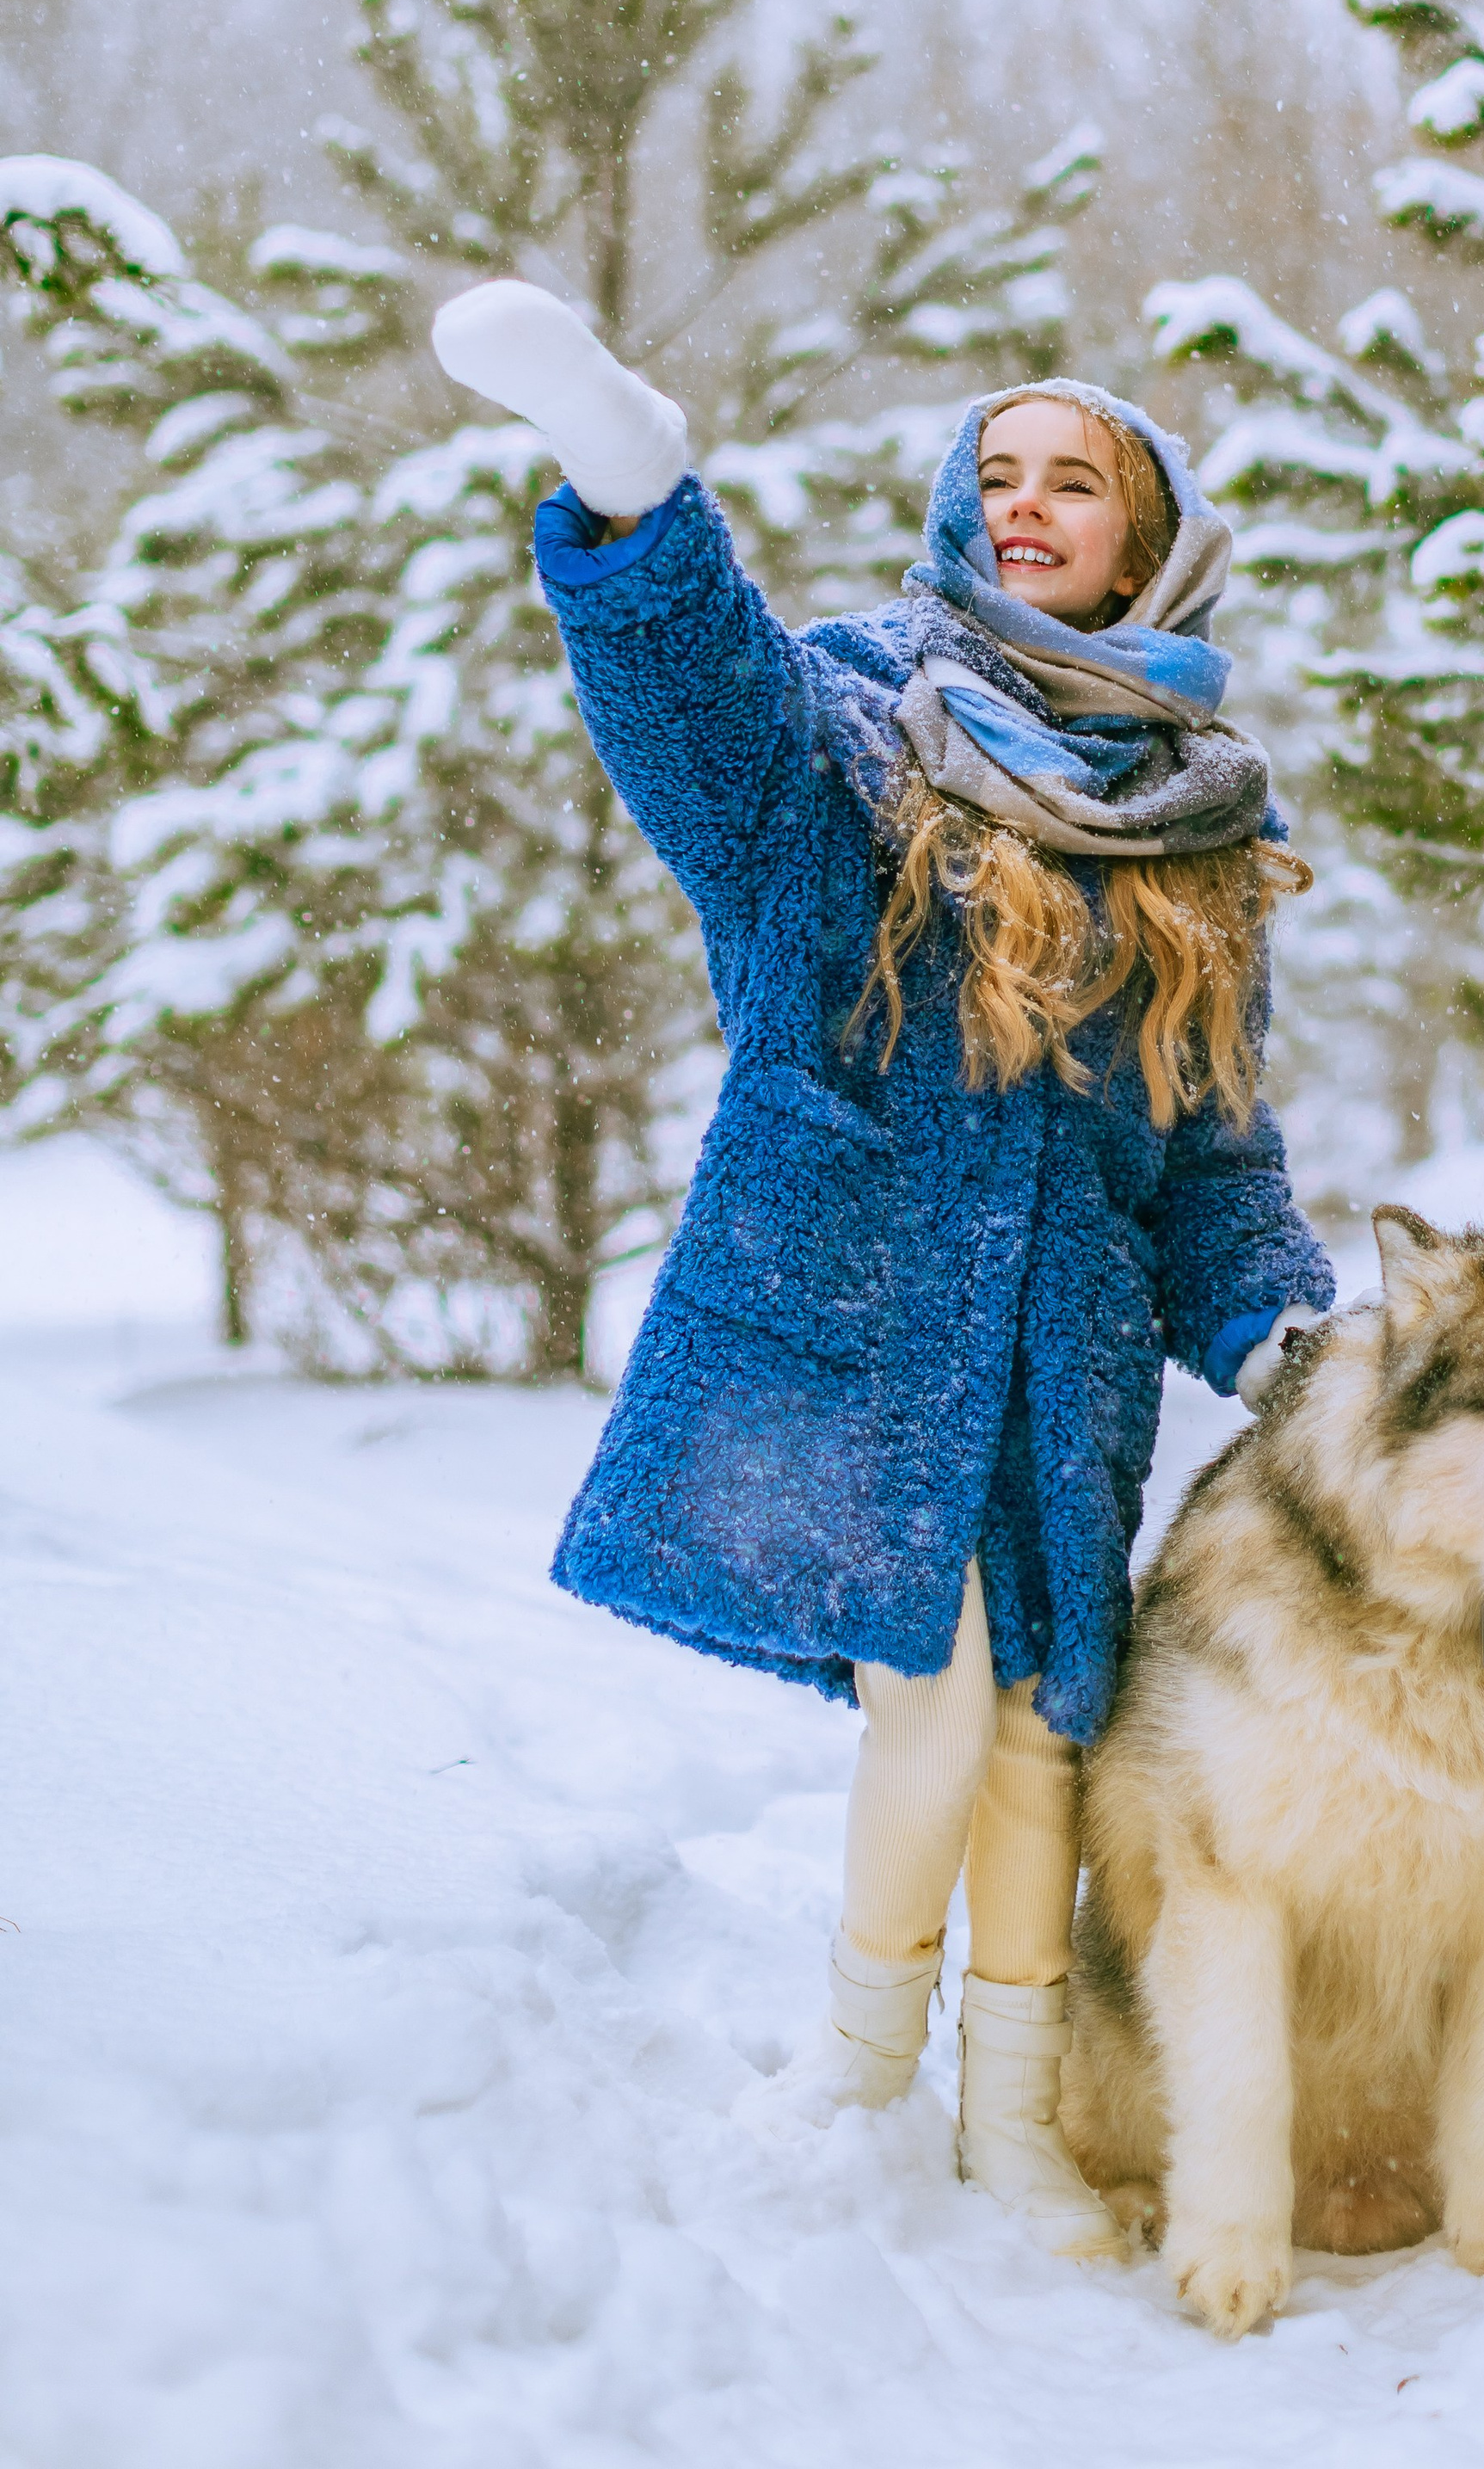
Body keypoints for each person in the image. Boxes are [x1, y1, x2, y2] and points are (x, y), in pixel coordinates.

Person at [431, 282, 1332, 2260]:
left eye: (1070, 482)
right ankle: (848, 2073)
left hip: (1063, 1362)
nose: (1024, 509)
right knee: (934, 1707)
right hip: (852, 1312)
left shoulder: (1191, 824)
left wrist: (1284, 1336)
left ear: (1145, 531)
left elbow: (1212, 1160)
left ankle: (1004, 2120)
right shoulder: (861, 731)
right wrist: (627, 478)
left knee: (1036, 1739)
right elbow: (701, 712)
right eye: (993, 476)